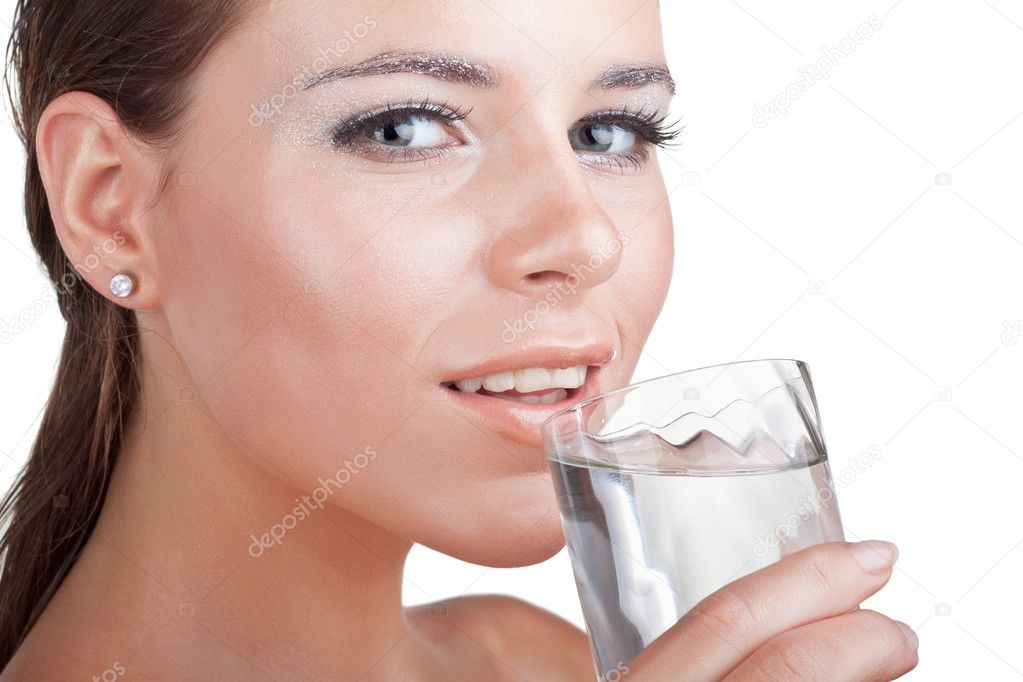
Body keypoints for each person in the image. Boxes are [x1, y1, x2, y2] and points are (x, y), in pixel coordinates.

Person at [0, 1, 919, 679]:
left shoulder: (524, 663)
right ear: (109, 204)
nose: (587, 239)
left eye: (608, 132)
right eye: (402, 128)